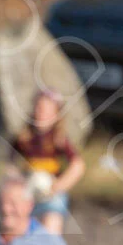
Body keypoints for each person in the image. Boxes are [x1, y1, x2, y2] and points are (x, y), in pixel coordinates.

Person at [10, 90, 84, 236]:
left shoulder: (59, 138)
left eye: (46, 110)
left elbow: (78, 165)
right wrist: (17, 183)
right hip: (29, 193)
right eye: (38, 108)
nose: (41, 113)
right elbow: (11, 164)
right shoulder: (24, 137)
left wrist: (58, 186)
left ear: (57, 114)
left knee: (51, 226)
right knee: (23, 230)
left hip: (50, 194)